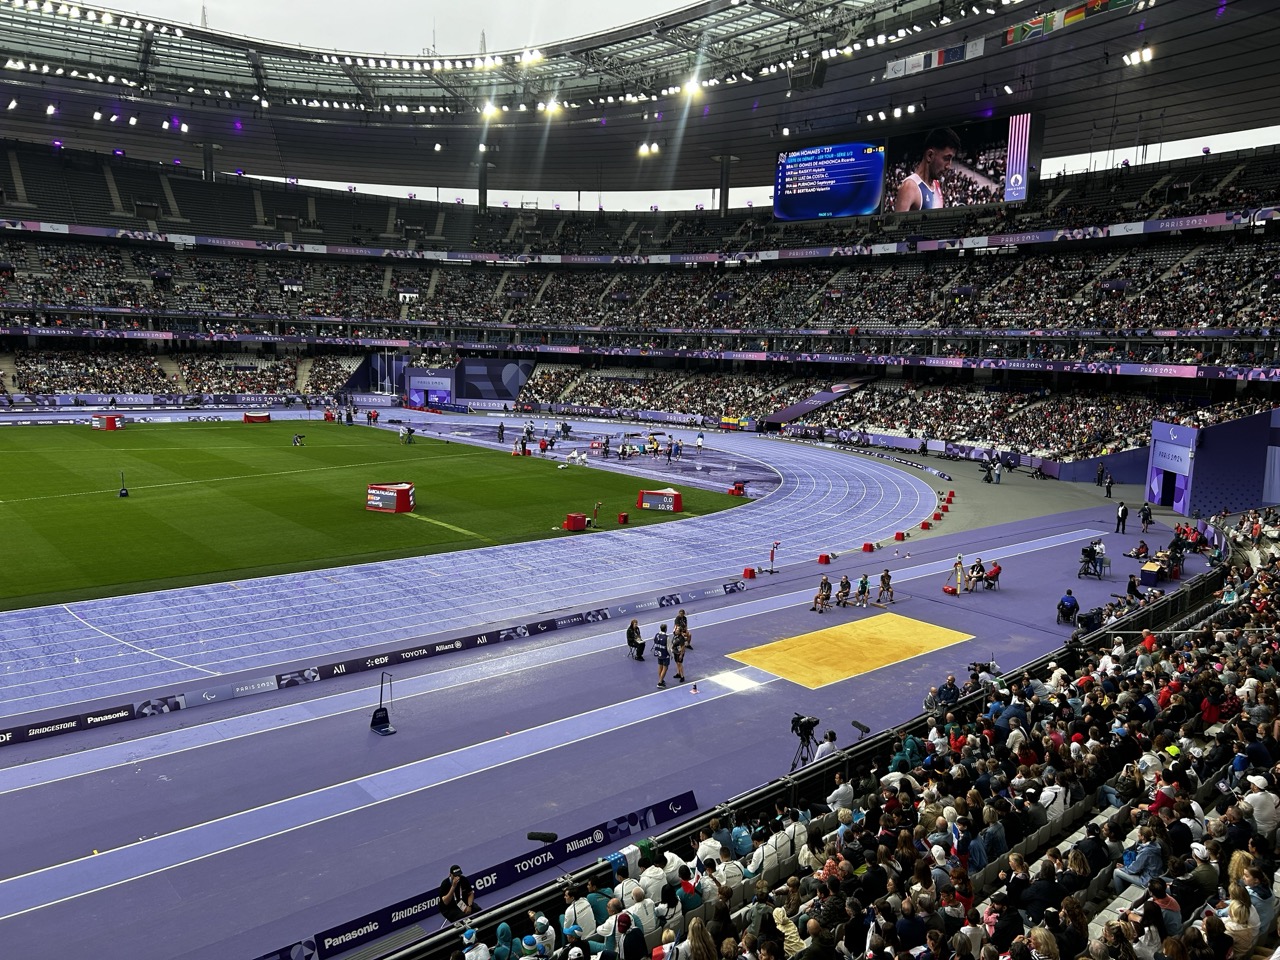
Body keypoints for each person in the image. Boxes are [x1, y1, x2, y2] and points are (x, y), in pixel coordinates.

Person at [893, 127, 961, 212]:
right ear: (930, 155)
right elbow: (897, 224)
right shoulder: (910, 187)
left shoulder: (936, 184)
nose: (948, 166)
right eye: (946, 158)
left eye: (951, 159)